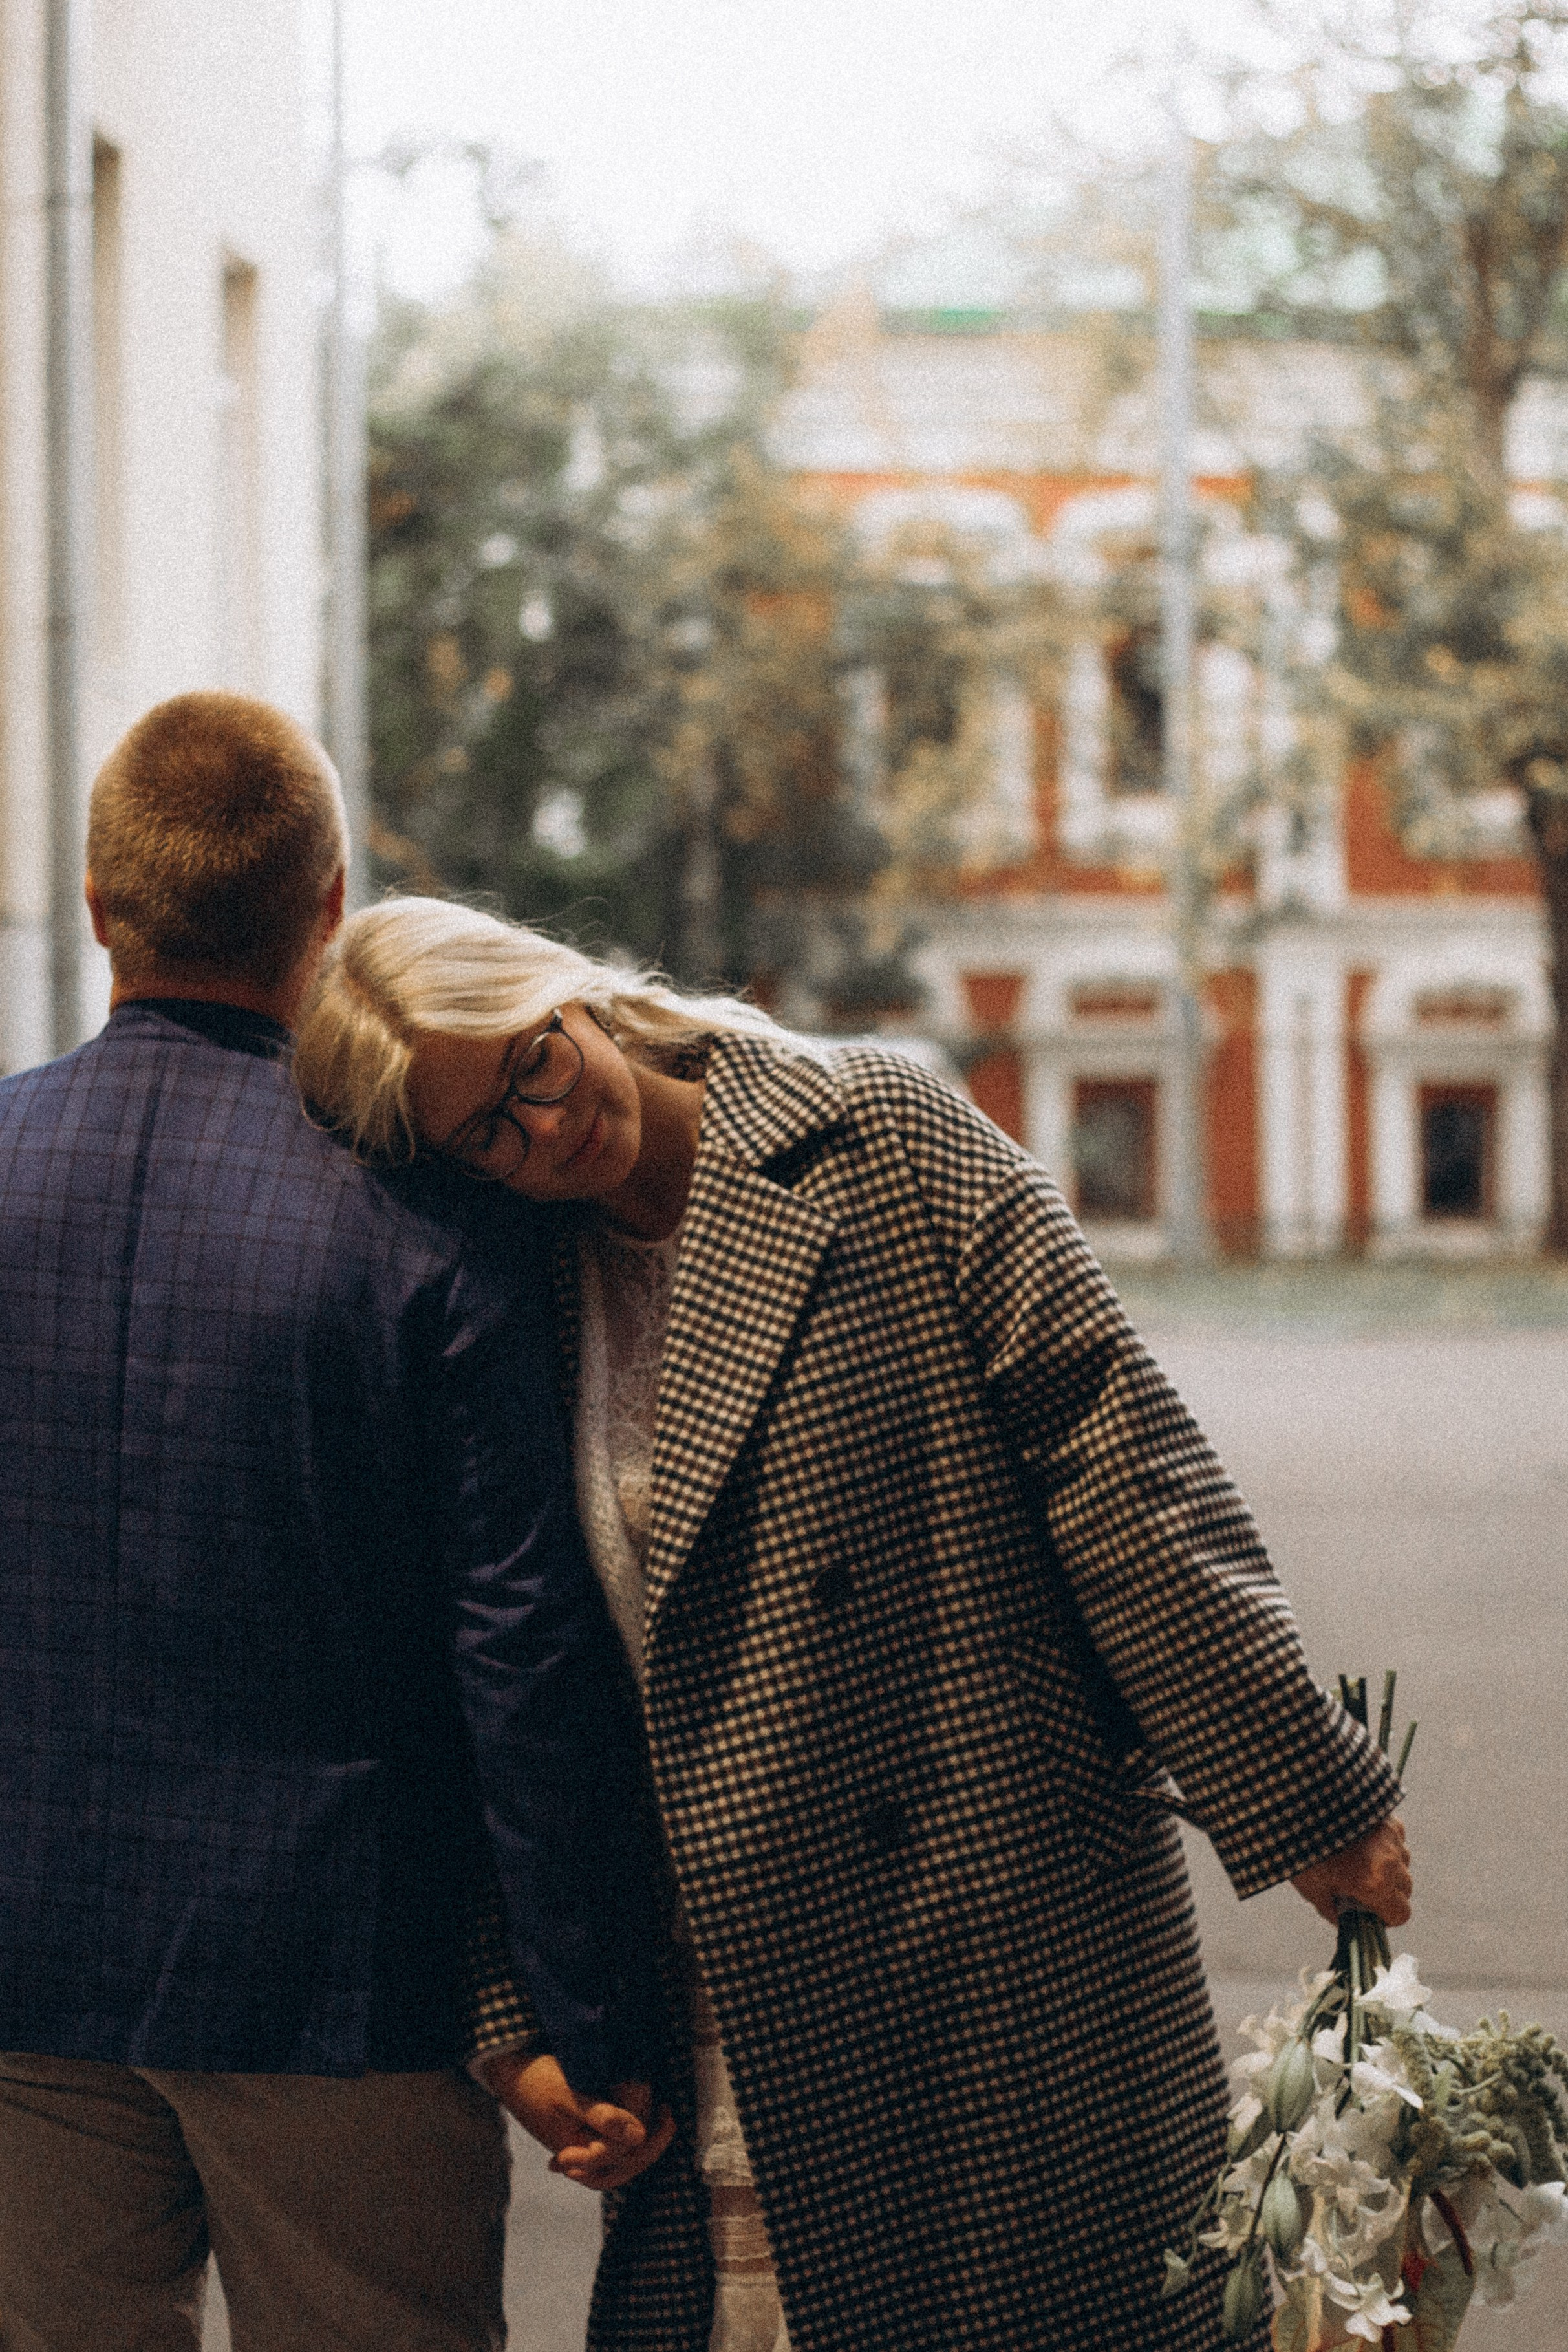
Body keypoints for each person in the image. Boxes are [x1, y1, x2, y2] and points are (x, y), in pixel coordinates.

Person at [295, 896, 1414, 2352]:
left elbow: (1115, 1463)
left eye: (534, 1062)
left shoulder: (875, 1133)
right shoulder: (503, 1285)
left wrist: (1302, 1782)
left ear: (566, 994)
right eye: (486, 1135)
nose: (544, 1126)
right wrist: (508, 2000)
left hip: (1002, 1930)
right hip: (720, 1980)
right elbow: (487, 1673)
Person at [0, 698, 669, 2352]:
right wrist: (587, 2020)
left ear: (97, 907)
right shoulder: (425, 1216)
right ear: (330, 906)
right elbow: (520, 1659)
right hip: (337, 1986)